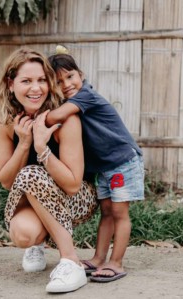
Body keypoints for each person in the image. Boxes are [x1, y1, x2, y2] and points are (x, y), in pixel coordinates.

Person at [0, 47, 98, 293]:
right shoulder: (5, 121)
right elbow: (6, 181)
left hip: (78, 198)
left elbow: (73, 185)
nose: (36, 88)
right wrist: (25, 143)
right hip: (34, 197)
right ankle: (37, 244)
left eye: (42, 80)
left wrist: (42, 148)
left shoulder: (65, 118)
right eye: (26, 81)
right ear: (11, 83)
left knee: (30, 173)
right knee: (23, 234)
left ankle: (71, 262)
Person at [47, 47, 145, 283]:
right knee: (107, 212)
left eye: (70, 76)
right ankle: (100, 258)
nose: (67, 84)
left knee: (120, 212)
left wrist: (38, 120)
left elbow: (54, 117)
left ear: (81, 74)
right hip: (105, 166)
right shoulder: (72, 100)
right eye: (58, 82)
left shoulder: (85, 96)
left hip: (122, 161)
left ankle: (117, 262)